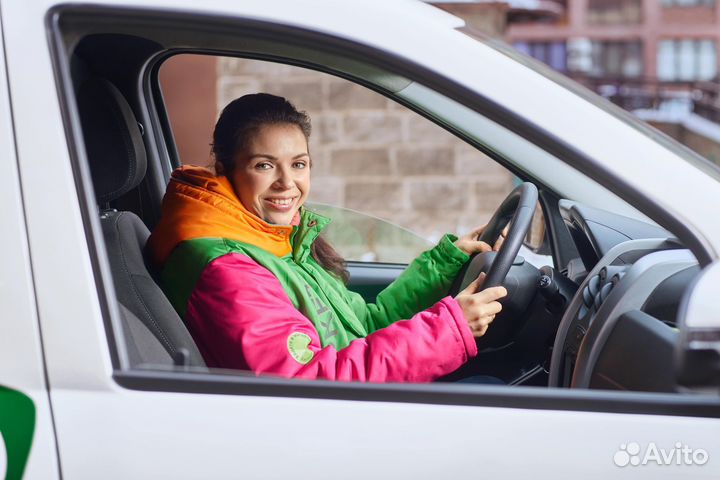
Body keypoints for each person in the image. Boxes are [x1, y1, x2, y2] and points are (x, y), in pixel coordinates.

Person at [147, 93, 507, 382]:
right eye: (264, 165)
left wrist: (446, 263)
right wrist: (449, 329)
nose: (287, 183)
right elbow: (308, 381)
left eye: (299, 164)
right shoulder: (226, 269)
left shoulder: (275, 241)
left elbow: (365, 326)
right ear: (226, 171)